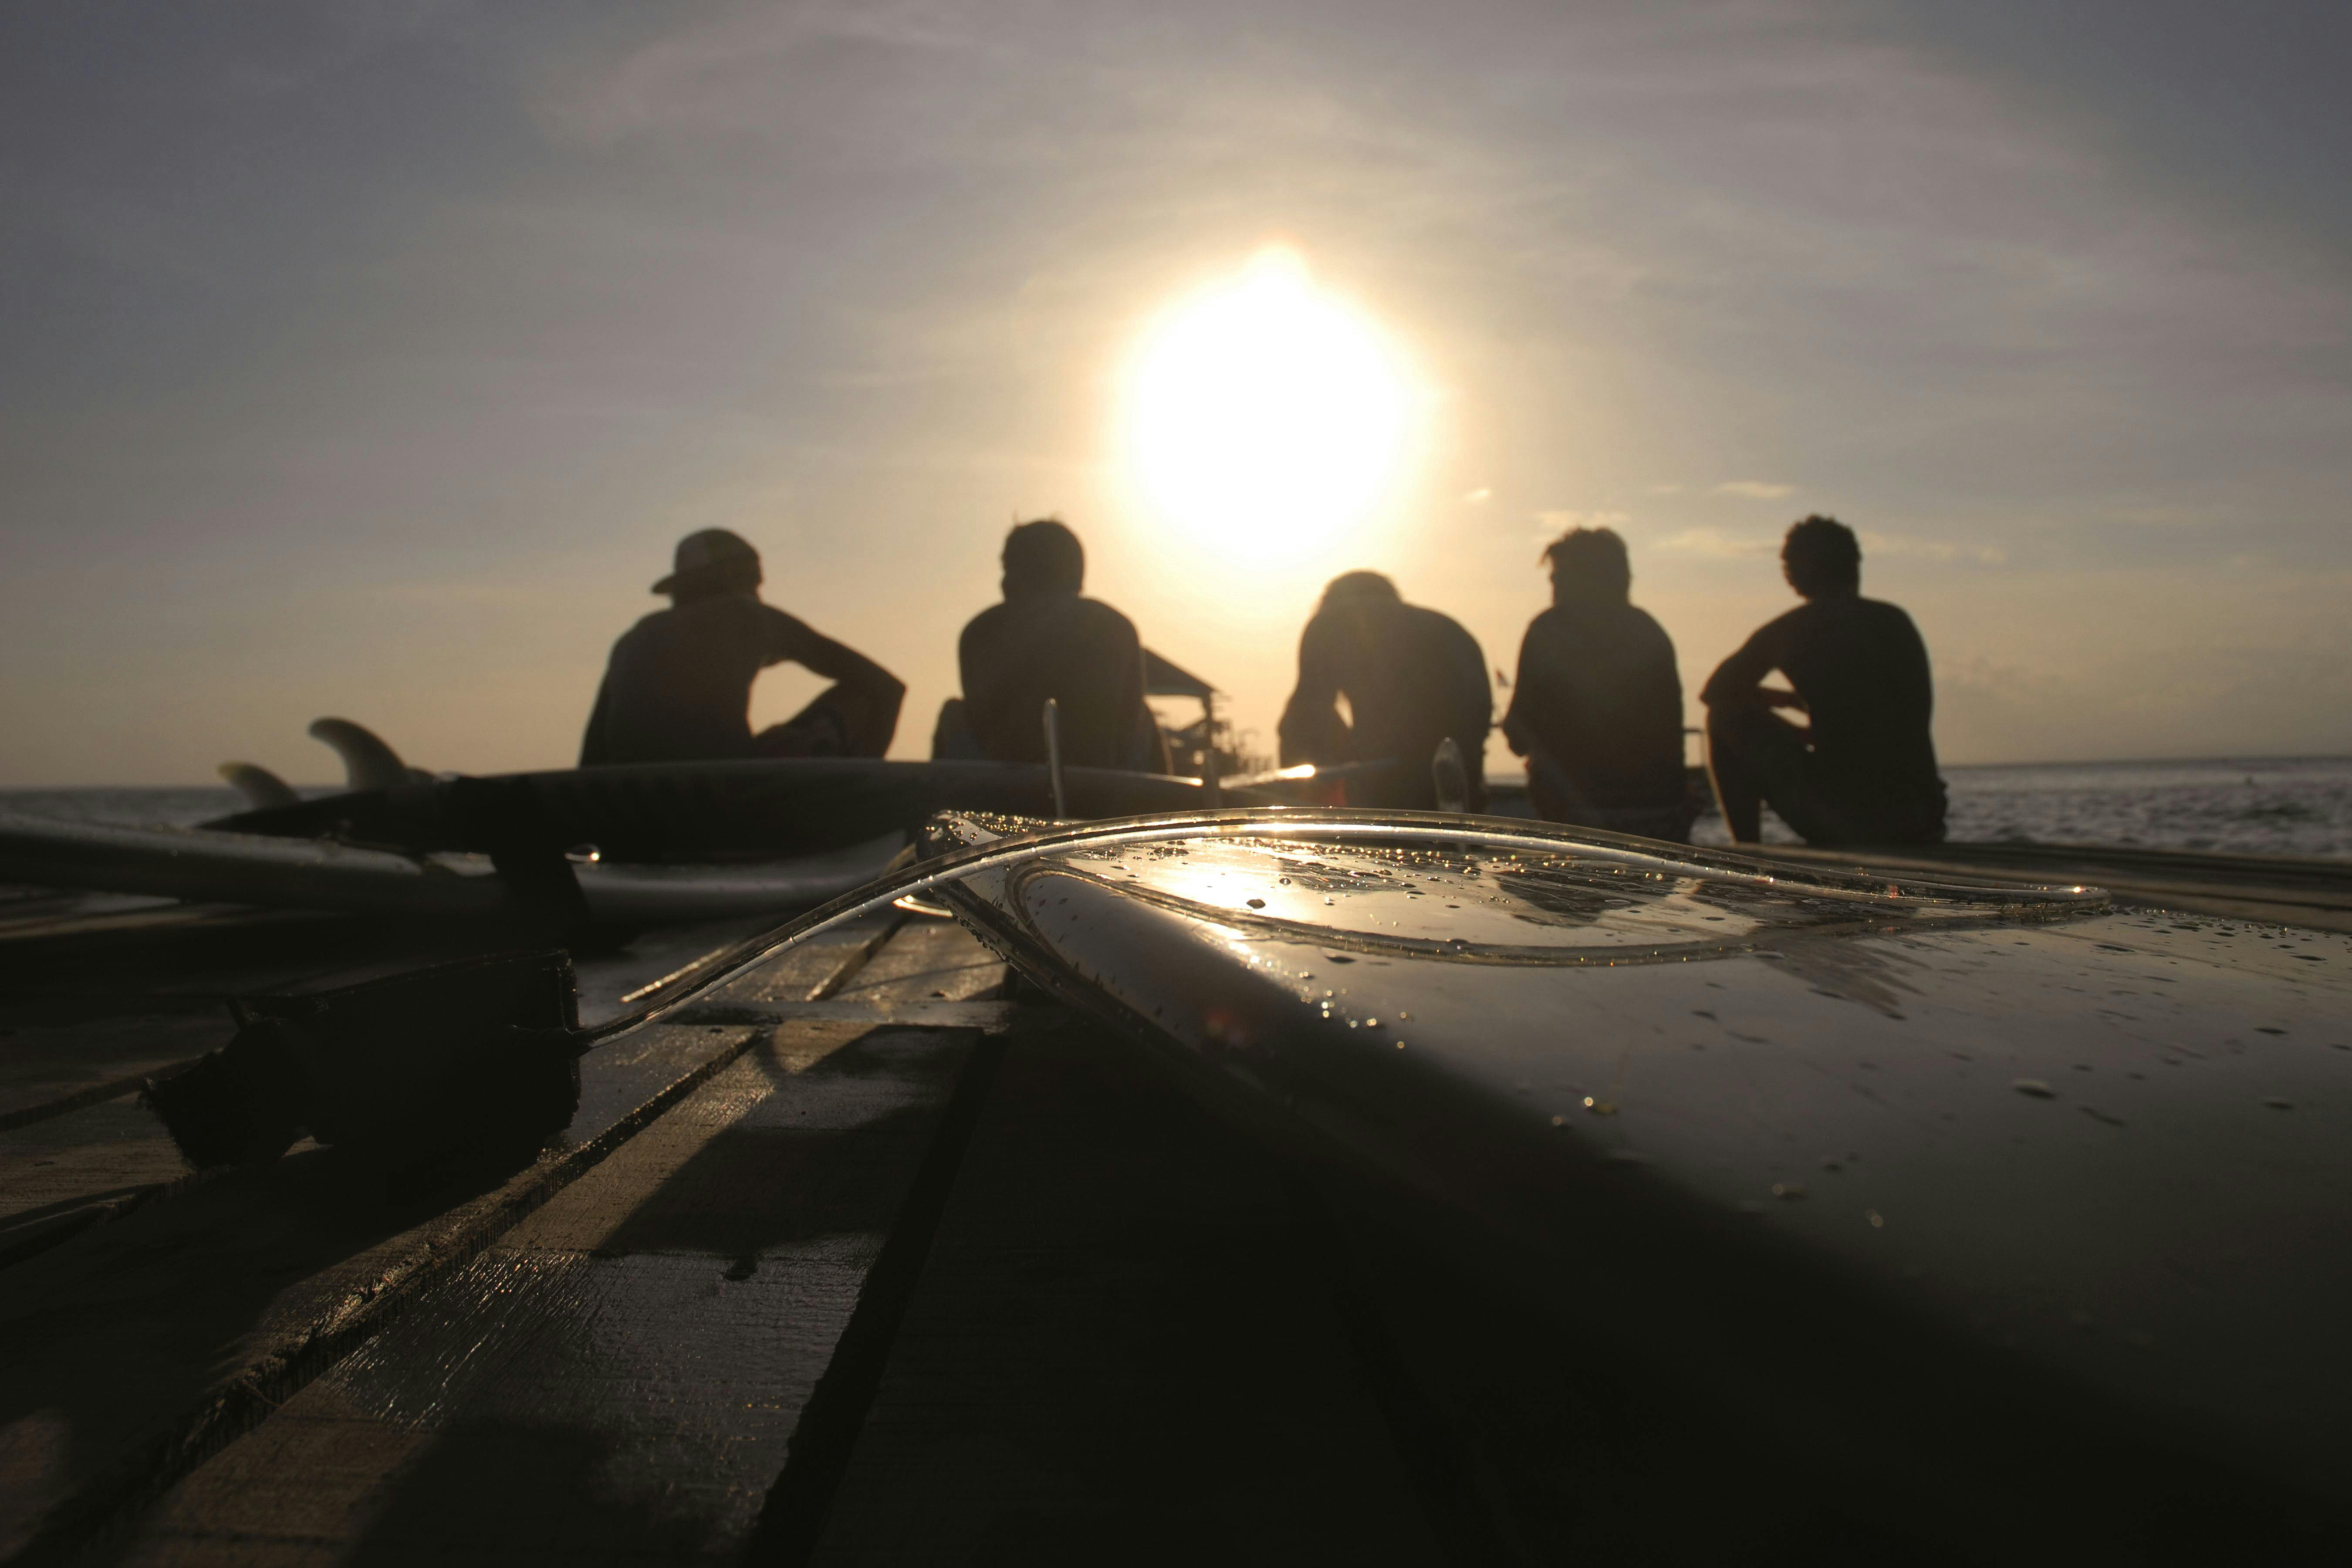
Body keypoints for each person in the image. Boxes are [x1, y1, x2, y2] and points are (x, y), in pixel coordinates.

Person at [1700, 515, 1946, 845]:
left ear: (1795, 575)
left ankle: (1746, 850)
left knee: (1722, 717)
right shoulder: (1896, 620)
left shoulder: (1788, 631)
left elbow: (1715, 693)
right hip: (1924, 815)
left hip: (1853, 821)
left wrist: (1785, 712)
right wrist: (1793, 704)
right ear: (1854, 566)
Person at [579, 529, 904, 766]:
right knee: (863, 694)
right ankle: (850, 805)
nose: (759, 594)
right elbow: (888, 686)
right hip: (728, 788)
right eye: (755, 582)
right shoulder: (748, 614)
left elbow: (592, 756)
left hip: (638, 796)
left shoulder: (631, 638)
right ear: (733, 575)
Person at [1501, 527, 1692, 840]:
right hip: (1663, 819)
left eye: (1560, 576)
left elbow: (1517, 734)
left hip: (1582, 820)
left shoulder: (1550, 629)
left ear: (1580, 579)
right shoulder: (1649, 631)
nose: (1553, 584)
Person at [955, 520, 1169, 770]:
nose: (1002, 582)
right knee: (1146, 716)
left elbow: (979, 720)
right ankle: (1170, 798)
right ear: (1076, 572)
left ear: (1018, 573)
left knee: (953, 713)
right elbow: (1129, 718)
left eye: (1007, 569)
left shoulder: (981, 631)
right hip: (1101, 781)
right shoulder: (1115, 627)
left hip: (1004, 783)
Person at [1278, 571, 1491, 811]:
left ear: (1329, 601)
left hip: (1392, 786)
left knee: (1296, 725)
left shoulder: (1330, 621)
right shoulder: (1450, 627)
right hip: (1466, 783)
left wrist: (1302, 787)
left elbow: (1305, 715)